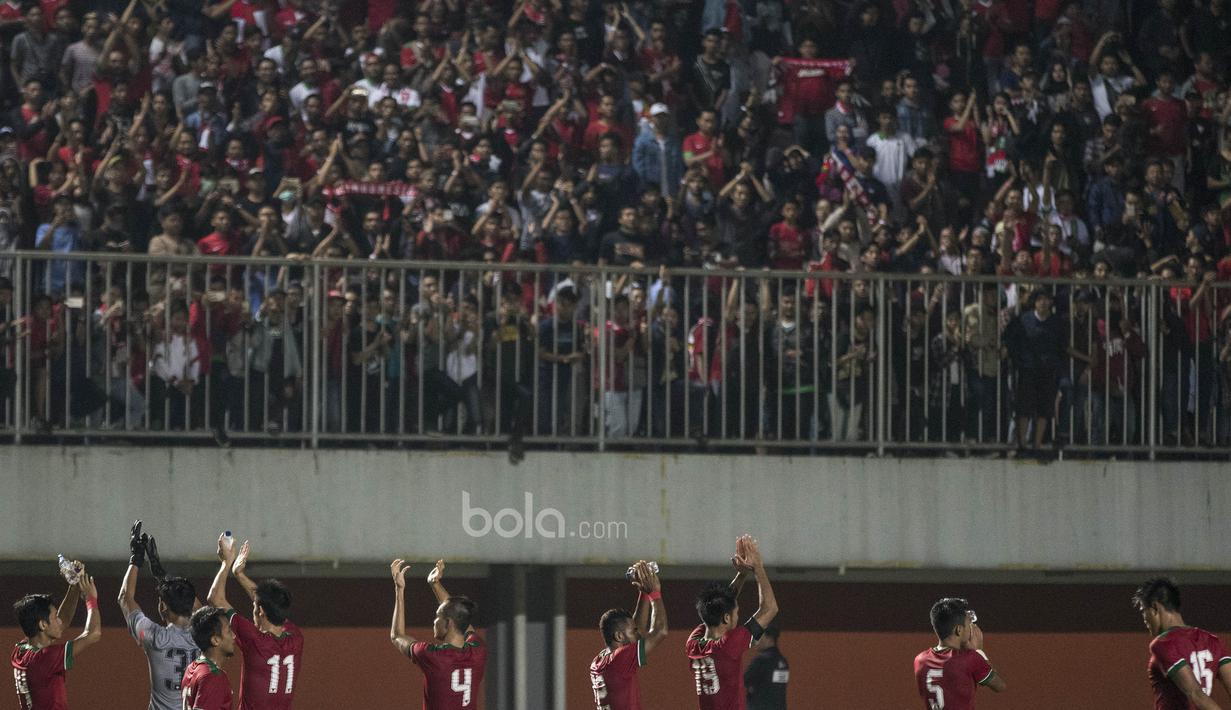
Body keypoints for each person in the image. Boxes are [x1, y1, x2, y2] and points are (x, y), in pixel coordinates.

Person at [208, 534, 304, 710]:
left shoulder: (254, 640)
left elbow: (215, 598)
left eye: (255, 606)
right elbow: (267, 603)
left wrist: (226, 562)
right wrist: (239, 574)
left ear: (261, 611)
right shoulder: (296, 638)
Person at [686, 535, 778, 710]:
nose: (737, 617)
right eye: (736, 613)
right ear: (727, 618)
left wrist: (742, 574)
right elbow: (770, 608)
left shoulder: (693, 645)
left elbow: (718, 606)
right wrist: (758, 567)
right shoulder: (728, 645)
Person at [118, 520, 200, 710]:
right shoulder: (204, 633)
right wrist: (161, 574)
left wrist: (135, 559)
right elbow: (194, 603)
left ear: (163, 607)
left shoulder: (154, 637)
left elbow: (124, 598)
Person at [389, 559, 488, 710]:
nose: (434, 621)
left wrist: (399, 589)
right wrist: (435, 584)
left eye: (437, 617)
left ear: (448, 623)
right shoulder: (478, 651)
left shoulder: (433, 656)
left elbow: (397, 636)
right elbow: (460, 617)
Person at [11, 567, 101, 710]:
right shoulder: (45, 658)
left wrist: (74, 586)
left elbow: (62, 622)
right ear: (43, 624)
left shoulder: (20, 650)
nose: (59, 621)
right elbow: (94, 634)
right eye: (54, 617)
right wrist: (91, 599)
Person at [1133, 577, 1231, 709]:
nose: (1144, 620)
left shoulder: (1163, 644)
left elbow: (1195, 693)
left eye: (1143, 611)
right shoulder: (1213, 641)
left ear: (1155, 608)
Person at [590, 561, 668, 710]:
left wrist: (644, 593)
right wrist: (654, 593)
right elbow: (660, 631)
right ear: (619, 636)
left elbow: (638, 629)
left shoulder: (599, 660)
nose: (638, 635)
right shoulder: (619, 659)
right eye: (633, 632)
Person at [913, 597, 1006, 709]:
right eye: (968, 623)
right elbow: (999, 686)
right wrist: (979, 651)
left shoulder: (920, 660)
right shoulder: (971, 658)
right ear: (959, 630)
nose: (971, 627)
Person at [181, 606, 237, 710]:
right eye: (229, 631)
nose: (234, 636)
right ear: (215, 640)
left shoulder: (192, 668)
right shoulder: (212, 677)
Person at [743, 624, 788, 710]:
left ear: (769, 638)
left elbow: (743, 681)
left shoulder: (762, 660)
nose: (755, 640)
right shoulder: (783, 662)